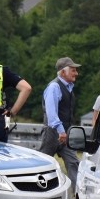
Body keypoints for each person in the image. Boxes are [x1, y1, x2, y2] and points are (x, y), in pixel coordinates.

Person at [39, 57, 81, 188]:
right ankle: (39, 191)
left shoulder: (67, 87)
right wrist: (61, 131)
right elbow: (52, 113)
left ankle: (77, 194)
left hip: (64, 133)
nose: (76, 73)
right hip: (53, 133)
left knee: (73, 162)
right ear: (63, 72)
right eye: (73, 70)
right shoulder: (54, 86)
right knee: (43, 165)